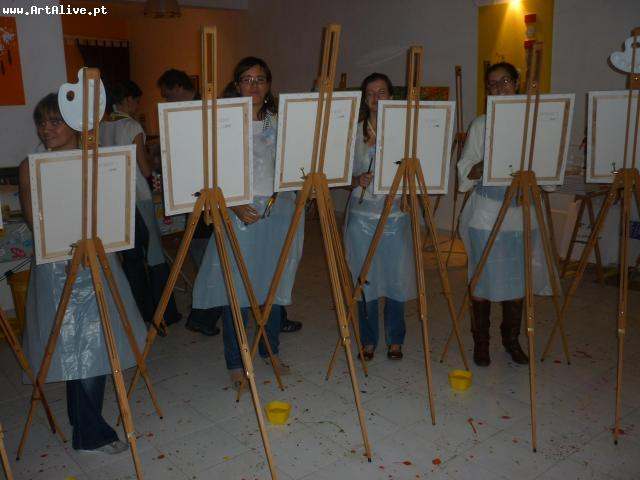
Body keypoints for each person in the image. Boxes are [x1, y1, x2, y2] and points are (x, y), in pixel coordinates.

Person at [19, 93, 147, 454]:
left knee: (98, 342)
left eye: (54, 121)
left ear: (75, 124)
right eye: (42, 122)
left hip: (97, 261)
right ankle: (89, 430)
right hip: (57, 267)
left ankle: (86, 426)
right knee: (72, 345)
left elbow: (114, 213)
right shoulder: (31, 166)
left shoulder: (96, 161)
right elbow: (34, 221)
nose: (46, 129)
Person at [191, 57, 304, 388]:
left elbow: (291, 163)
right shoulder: (224, 122)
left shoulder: (276, 122)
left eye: (260, 80)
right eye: (247, 79)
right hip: (240, 214)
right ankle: (236, 361)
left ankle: (270, 350)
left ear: (268, 85)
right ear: (236, 84)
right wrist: (234, 204)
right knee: (238, 290)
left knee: (273, 286)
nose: (253, 86)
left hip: (278, 212)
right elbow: (209, 172)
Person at [458, 62, 551, 367]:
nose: (499, 88)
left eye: (505, 82)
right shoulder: (481, 124)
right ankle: (481, 342)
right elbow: (465, 171)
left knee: (517, 279)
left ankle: (511, 340)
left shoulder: (535, 123)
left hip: (522, 215)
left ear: (517, 82)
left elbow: (548, 174)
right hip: (486, 214)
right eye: (492, 84)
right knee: (481, 278)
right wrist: (487, 164)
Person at [343, 73, 416, 361]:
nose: (376, 98)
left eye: (381, 92)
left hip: (395, 214)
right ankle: (368, 339)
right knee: (365, 279)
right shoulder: (354, 133)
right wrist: (356, 179)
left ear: (391, 96)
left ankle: (396, 338)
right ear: (365, 98)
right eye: (371, 93)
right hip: (362, 215)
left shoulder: (405, 131)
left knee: (397, 276)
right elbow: (341, 175)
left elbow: (418, 170)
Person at [102, 80, 181, 328]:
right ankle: (166, 312)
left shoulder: (102, 127)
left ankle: (141, 311)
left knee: (131, 258)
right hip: (138, 195)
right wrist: (156, 162)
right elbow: (144, 168)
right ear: (128, 100)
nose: (137, 106)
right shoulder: (132, 125)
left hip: (115, 198)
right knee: (155, 255)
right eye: (136, 101)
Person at [157, 68, 223, 336]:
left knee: (210, 258)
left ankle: (204, 314)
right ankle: (204, 313)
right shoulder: (188, 110)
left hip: (208, 193)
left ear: (178, 87)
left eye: (167, 94)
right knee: (208, 258)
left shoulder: (203, 109)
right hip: (196, 195)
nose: (166, 99)